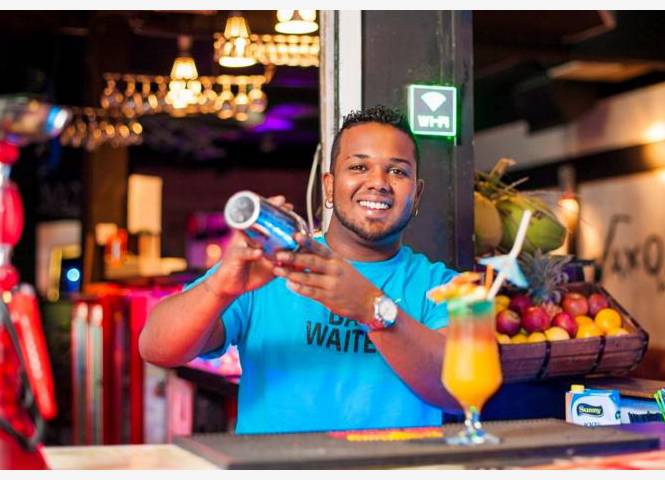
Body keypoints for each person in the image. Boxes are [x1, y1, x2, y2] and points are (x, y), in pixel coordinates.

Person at [139, 105, 461, 434]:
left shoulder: (444, 287)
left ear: (416, 195)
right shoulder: (271, 265)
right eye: (359, 166)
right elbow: (155, 348)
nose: (378, 182)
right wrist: (220, 287)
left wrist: (371, 308)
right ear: (329, 187)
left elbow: (456, 391)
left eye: (397, 171)